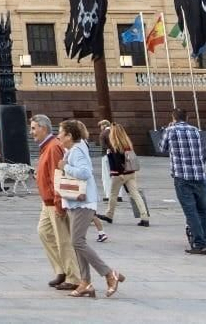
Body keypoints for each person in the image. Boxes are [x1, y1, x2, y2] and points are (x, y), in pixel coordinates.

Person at [58, 120, 123, 298]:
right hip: (75, 201)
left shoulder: (77, 150)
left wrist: (66, 167)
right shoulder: (73, 149)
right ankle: (85, 282)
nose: (58, 136)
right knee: (78, 243)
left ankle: (109, 274)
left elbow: (85, 173)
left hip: (82, 201)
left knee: (77, 241)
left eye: (61, 133)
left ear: (70, 136)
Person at [32, 113, 77, 290]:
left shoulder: (53, 147)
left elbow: (56, 176)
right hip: (47, 201)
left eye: (34, 128)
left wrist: (59, 202)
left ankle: (73, 277)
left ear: (43, 128)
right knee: (44, 232)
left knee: (63, 240)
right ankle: (61, 269)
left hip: (54, 201)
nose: (32, 132)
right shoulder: (47, 147)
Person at [161, 108, 206, 255]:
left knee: (191, 212)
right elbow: (204, 152)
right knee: (203, 210)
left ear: (173, 117)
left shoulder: (170, 130)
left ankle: (199, 243)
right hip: (200, 176)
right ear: (187, 117)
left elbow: (162, 147)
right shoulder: (196, 130)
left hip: (182, 177)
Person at [104, 123, 150, 225]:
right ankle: (145, 217)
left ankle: (109, 215)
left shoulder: (114, 144)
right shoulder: (128, 143)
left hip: (119, 174)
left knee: (113, 194)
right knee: (136, 195)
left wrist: (119, 172)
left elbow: (116, 160)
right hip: (131, 172)